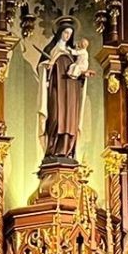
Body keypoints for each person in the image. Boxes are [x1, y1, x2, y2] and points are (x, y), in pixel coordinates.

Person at [37, 19, 94, 162]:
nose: (67, 36)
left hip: (71, 90)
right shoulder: (51, 49)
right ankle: (53, 150)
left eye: (70, 33)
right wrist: (48, 65)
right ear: (60, 33)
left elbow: (79, 68)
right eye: (65, 33)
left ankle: (68, 150)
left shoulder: (74, 52)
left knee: (70, 121)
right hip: (57, 87)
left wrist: (83, 74)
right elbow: (42, 67)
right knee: (56, 116)